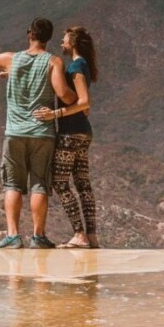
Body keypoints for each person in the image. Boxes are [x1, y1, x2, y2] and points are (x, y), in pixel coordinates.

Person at [0, 18, 75, 248]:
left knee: (12, 185)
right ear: (48, 38)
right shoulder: (53, 62)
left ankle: (13, 235)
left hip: (15, 132)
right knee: (39, 184)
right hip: (42, 133)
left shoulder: (13, 59)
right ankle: (38, 236)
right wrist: (77, 99)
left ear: (30, 34)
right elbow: (64, 94)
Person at [33, 25, 100, 248]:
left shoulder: (76, 66)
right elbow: (84, 105)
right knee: (83, 184)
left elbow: (84, 102)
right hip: (83, 132)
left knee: (60, 183)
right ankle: (91, 236)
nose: (61, 42)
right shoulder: (82, 65)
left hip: (71, 133)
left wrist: (55, 113)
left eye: (64, 39)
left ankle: (79, 234)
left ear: (73, 42)